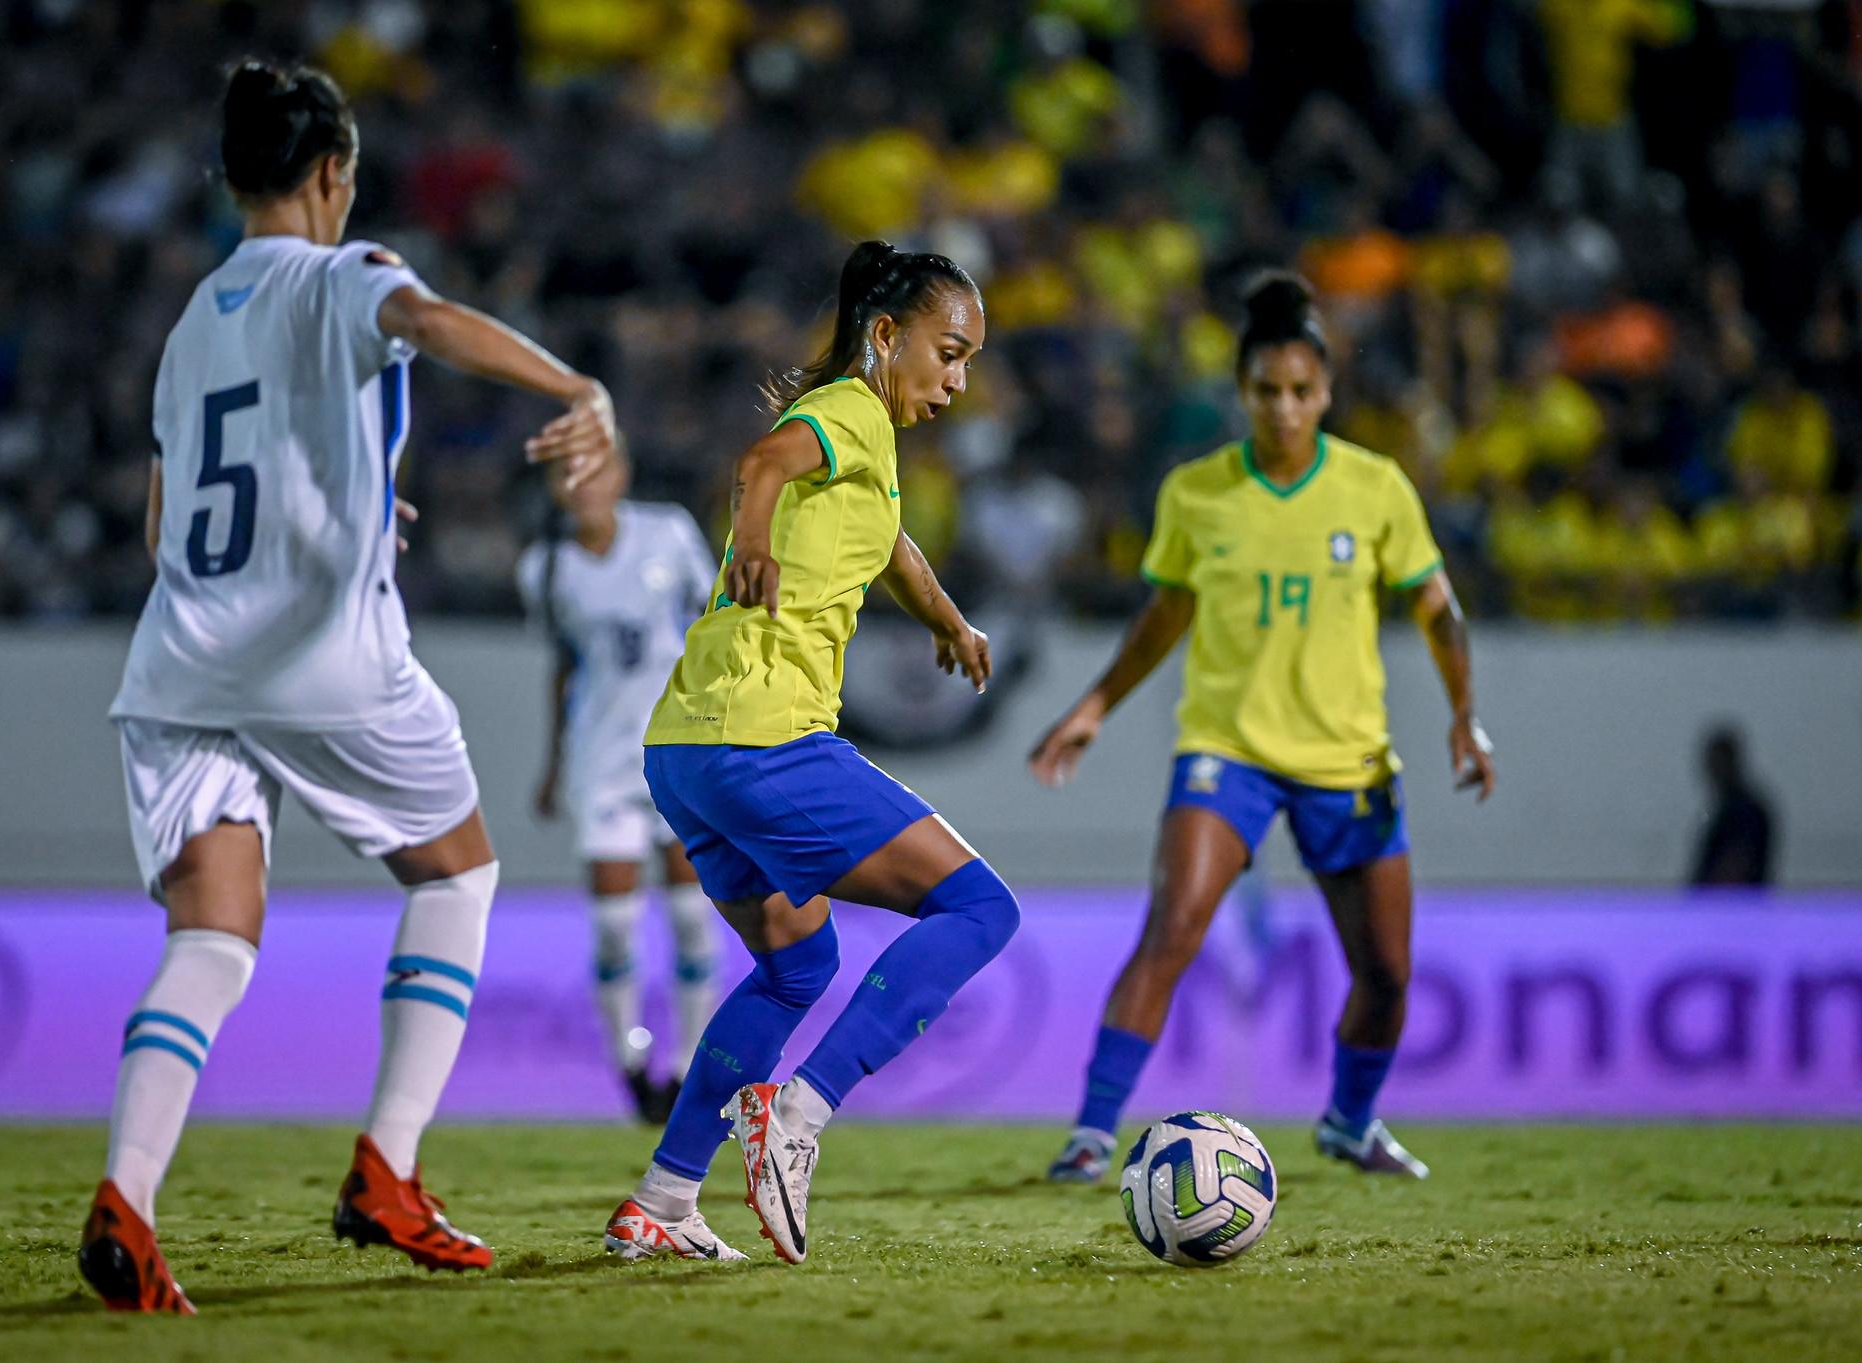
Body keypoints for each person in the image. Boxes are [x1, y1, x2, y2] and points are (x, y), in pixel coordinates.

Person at [82, 59, 618, 1314]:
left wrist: (356, 506)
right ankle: (387, 1167)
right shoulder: (346, 273)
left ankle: (128, 1197)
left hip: (178, 661)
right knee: (459, 873)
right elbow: (425, 321)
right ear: (334, 176)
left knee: (210, 937)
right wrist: (575, 387)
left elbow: (171, 523)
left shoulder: (189, 323)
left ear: (228, 178)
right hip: (319, 659)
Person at [600, 241, 1017, 1264]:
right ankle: (799, 1112)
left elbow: (892, 543)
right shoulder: (849, 411)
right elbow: (764, 461)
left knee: (799, 963)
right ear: (886, 336)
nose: (957, 381)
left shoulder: (865, 449)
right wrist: (749, 536)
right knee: (978, 908)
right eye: (947, 351)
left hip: (686, 749)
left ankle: (661, 1197)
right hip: (765, 736)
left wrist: (946, 619)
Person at [1031, 272, 1494, 1185]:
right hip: (1228, 750)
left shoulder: (1375, 487)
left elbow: (1438, 609)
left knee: (1390, 974)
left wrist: (1464, 717)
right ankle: (1089, 1133)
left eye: (1300, 391)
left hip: (1347, 758)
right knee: (1171, 929)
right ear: (1242, 395)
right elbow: (1164, 614)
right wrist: (1093, 705)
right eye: (1266, 392)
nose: (1284, 408)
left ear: (1325, 393)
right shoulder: (1198, 494)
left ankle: (1350, 1123)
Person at [515, 452, 720, 1121]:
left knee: (692, 915)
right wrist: (549, 767)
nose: (584, 485)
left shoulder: (669, 533)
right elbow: (564, 666)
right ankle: (631, 1066)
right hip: (602, 763)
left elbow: (717, 627)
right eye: (569, 475)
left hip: (678, 750)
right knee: (614, 926)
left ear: (623, 474)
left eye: (595, 470)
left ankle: (689, 1060)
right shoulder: (545, 568)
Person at [1688, 724, 1776, 886]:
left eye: (1716, 762)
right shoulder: (1733, 808)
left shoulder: (1743, 811)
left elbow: (1736, 865)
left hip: (1732, 906)